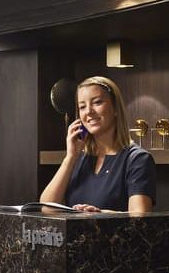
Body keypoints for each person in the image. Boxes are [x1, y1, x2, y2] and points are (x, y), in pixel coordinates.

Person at [40, 76, 155, 213]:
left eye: (97, 102)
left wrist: (99, 215)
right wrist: (70, 157)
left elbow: (140, 217)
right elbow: (47, 209)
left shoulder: (138, 159)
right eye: (82, 107)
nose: (89, 111)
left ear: (116, 108)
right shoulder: (77, 158)